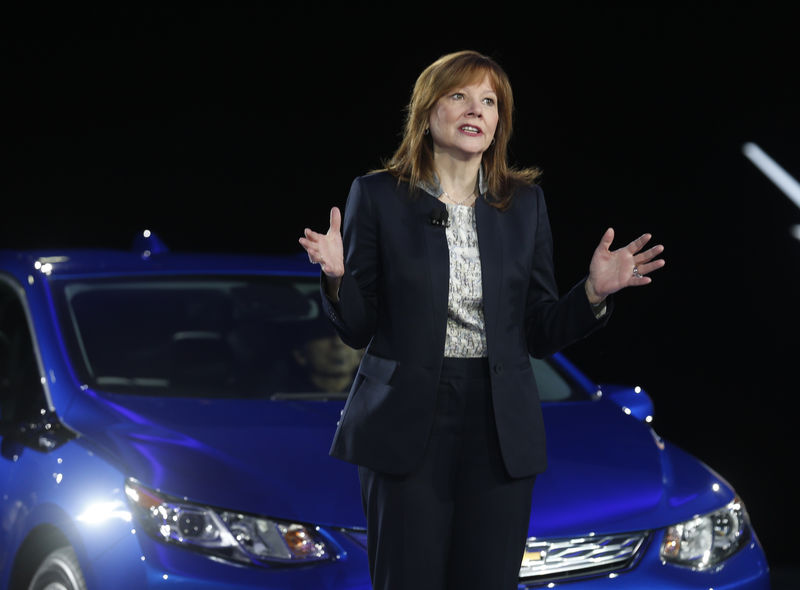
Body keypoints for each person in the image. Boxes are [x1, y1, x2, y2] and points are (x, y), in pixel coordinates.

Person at [298, 50, 664, 590]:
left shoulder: (523, 205)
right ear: (427, 113)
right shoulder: (376, 196)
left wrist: (591, 293)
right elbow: (357, 326)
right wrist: (335, 276)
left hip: (499, 423)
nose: (477, 110)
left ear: (499, 124)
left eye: (490, 101)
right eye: (460, 96)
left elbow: (539, 331)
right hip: (406, 421)